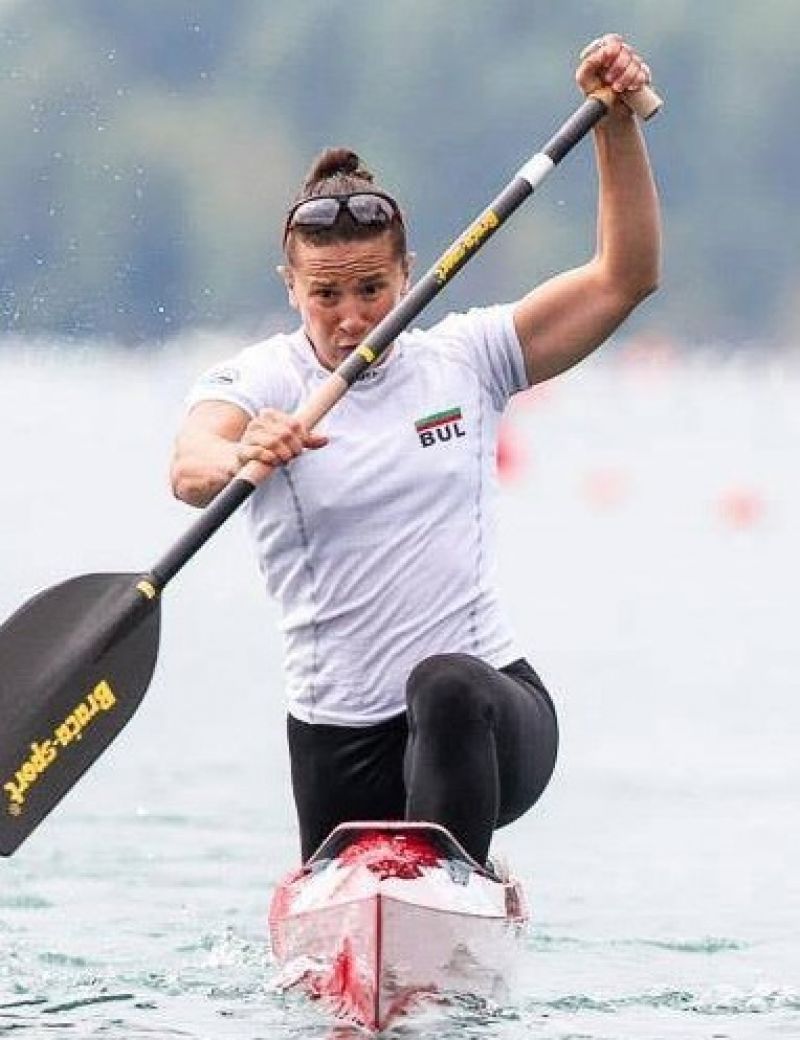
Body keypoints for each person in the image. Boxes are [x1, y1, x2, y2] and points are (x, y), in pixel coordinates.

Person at [170, 34, 661, 867]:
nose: (351, 316)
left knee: (445, 679)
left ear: (407, 274)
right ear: (290, 288)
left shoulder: (470, 358)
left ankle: (448, 879)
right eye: (326, 294)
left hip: (490, 716)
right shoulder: (259, 380)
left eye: (372, 288)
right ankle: (418, 886)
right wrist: (242, 452)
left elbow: (626, 277)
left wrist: (615, 125)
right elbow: (190, 467)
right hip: (337, 737)